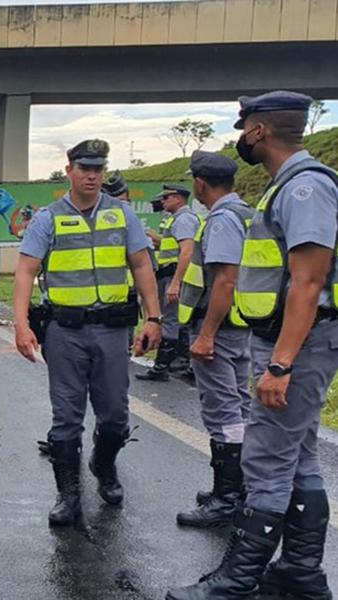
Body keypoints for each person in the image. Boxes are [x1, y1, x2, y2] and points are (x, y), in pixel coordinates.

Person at [167, 91, 338, 600]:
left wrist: (281, 366)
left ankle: (236, 582)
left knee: (264, 460)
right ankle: (302, 573)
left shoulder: (305, 188)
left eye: (244, 127)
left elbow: (309, 281)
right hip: (290, 340)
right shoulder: (285, 186)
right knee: (298, 457)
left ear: (260, 130)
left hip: (299, 346)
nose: (241, 137)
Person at [13, 139, 162, 528]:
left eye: (99, 168)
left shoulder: (123, 215)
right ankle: (68, 495)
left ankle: (104, 464)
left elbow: (142, 265)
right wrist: (21, 324)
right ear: (70, 171)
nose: (93, 175)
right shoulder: (48, 219)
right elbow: (26, 270)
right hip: (65, 332)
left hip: (113, 330)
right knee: (66, 418)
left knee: (114, 416)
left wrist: (154, 317)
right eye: (84, 168)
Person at [170, 151, 256, 530]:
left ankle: (227, 498)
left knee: (223, 412)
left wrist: (206, 335)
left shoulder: (221, 220)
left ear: (200, 183)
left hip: (219, 328)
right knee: (241, 406)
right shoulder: (247, 213)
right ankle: (243, 487)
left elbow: (225, 279)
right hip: (242, 326)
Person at [138, 184, 201, 382]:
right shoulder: (178, 219)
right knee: (175, 319)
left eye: (166, 198)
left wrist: (176, 282)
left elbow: (187, 251)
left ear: (178, 198)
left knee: (173, 319)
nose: (163, 202)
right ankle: (176, 363)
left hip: (175, 275)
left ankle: (163, 366)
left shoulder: (184, 219)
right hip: (170, 274)